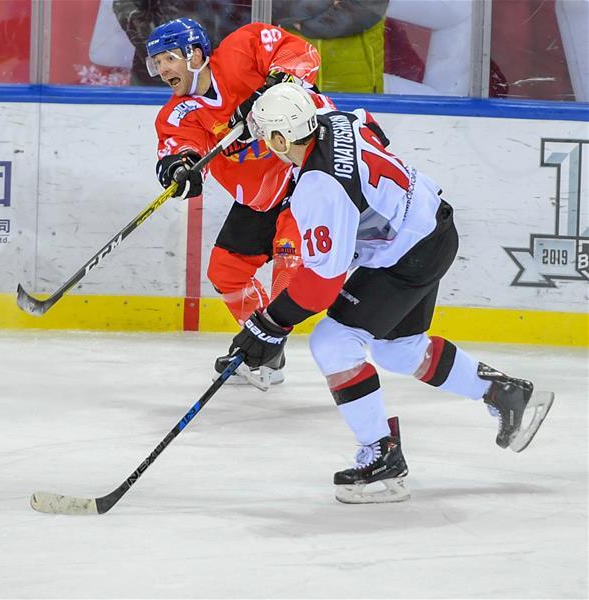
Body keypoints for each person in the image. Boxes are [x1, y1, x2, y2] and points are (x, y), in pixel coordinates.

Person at [223, 81, 555, 503]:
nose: (264, 145)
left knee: (333, 341)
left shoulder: (318, 188)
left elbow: (323, 283)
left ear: (279, 137)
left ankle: (382, 458)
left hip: (408, 254)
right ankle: (503, 392)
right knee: (399, 348)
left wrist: (268, 323)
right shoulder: (336, 118)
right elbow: (373, 129)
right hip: (432, 228)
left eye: (265, 136)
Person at [146, 17, 331, 388]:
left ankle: (265, 341)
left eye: (169, 58)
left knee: (289, 266)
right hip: (263, 197)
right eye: (157, 63)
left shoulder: (242, 47)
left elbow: (301, 53)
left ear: (194, 53)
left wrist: (272, 88)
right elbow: (179, 148)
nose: (163, 69)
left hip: (309, 173)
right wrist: (179, 169)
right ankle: (268, 350)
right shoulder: (177, 113)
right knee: (226, 272)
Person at [112, 0, 251, 87]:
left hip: (222, 75)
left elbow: (263, 13)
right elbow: (125, 7)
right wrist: (164, 53)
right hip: (158, 83)